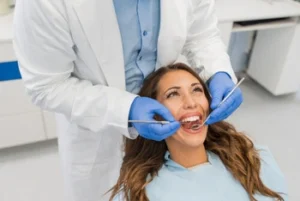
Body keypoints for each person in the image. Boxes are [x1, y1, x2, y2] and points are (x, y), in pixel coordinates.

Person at [12, 0, 243, 201]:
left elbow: (201, 35)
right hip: (94, 127)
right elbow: (46, 85)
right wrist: (126, 110)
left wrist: (218, 71)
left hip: (162, 128)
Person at [110, 63, 288, 201]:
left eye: (197, 90)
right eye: (173, 94)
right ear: (154, 115)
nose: (191, 103)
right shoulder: (139, 191)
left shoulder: (253, 159)